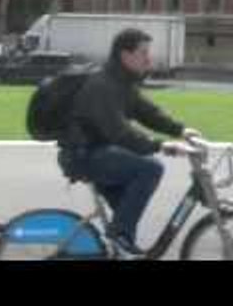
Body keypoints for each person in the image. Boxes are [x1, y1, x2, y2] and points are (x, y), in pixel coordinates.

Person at [57, 28, 202, 257]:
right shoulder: (102, 85)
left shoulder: (121, 82)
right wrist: (162, 146)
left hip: (98, 151)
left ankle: (121, 242)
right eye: (143, 52)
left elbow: (147, 112)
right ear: (126, 55)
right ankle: (120, 235)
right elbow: (120, 133)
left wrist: (181, 130)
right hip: (82, 155)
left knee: (127, 206)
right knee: (150, 168)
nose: (149, 59)